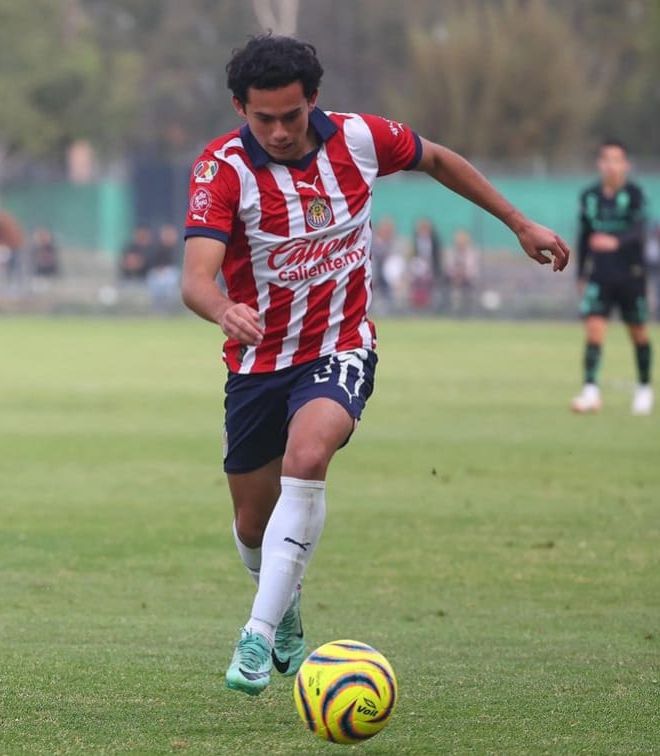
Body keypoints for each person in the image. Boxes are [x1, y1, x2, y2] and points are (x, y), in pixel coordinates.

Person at [181, 34, 569, 697]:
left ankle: (257, 635)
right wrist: (222, 311)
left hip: (341, 346)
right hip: (256, 362)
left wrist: (518, 222)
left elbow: (440, 160)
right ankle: (287, 606)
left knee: (309, 455)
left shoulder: (362, 140)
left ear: (315, 101)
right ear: (238, 107)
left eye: (291, 116)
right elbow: (196, 279)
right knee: (252, 524)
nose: (276, 131)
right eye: (261, 118)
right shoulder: (221, 170)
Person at [571, 140, 653, 415]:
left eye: (617, 159)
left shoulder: (636, 195)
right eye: (606, 159)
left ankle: (644, 387)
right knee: (594, 330)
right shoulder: (589, 197)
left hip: (631, 274)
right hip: (600, 274)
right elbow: (584, 238)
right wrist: (580, 272)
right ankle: (591, 390)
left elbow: (639, 232)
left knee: (638, 333)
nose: (611, 165)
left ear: (625, 165)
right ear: (599, 163)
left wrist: (614, 242)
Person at [446, 228, 481, 316]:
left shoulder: (471, 252)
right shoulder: (452, 251)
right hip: (455, 279)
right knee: (453, 289)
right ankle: (454, 312)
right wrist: (456, 275)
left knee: (468, 287)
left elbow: (472, 268)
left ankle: (468, 311)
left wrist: (463, 274)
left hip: (468, 279)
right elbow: (449, 267)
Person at [410, 219, 443, 310]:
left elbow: (437, 258)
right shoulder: (415, 241)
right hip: (418, 266)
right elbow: (412, 256)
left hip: (431, 267)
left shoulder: (434, 241)